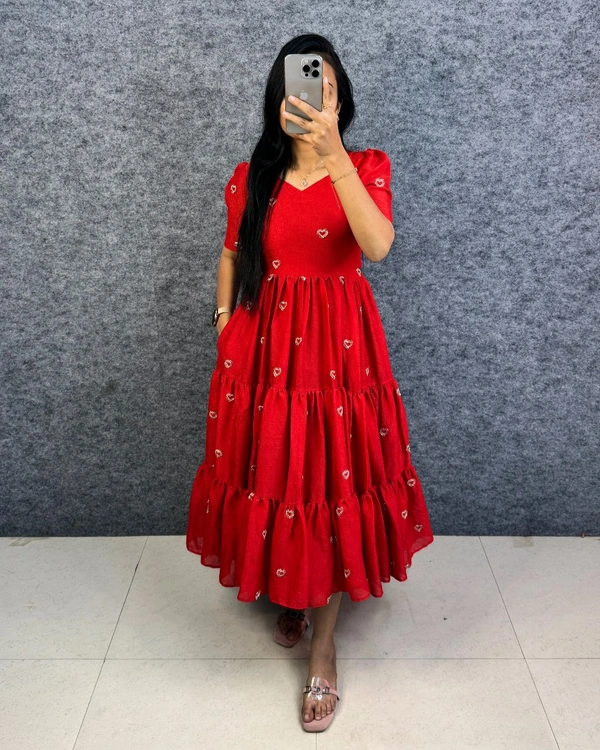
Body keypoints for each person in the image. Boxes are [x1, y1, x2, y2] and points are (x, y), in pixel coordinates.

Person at [186, 33, 434, 732]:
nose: (310, 101)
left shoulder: (367, 166)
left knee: (330, 479)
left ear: (339, 100)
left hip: (340, 359)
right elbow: (231, 254)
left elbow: (377, 246)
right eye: (298, 90)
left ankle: (324, 649)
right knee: (279, 473)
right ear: (279, 100)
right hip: (265, 357)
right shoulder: (251, 177)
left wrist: (333, 156)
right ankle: (294, 591)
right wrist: (224, 325)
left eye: (324, 90)